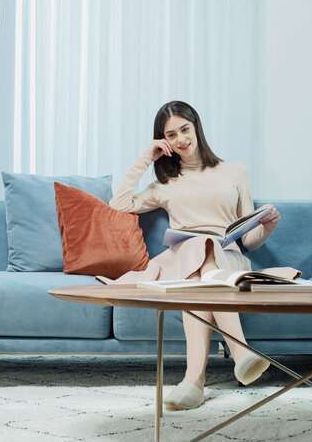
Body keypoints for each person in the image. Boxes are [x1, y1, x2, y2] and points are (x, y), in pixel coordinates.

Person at [107, 100, 285, 410]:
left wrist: (266, 228)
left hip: (228, 257)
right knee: (198, 251)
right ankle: (240, 353)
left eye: (185, 129)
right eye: (171, 135)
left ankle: (193, 382)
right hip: (184, 257)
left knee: (208, 253)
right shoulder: (165, 184)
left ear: (197, 127)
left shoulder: (235, 172)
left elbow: (247, 240)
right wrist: (144, 159)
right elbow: (119, 205)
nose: (180, 139)